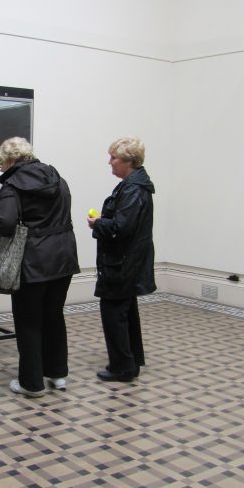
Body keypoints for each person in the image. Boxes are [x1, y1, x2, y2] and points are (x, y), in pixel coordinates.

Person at [0, 137, 80, 397]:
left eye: (1, 162)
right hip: (63, 257)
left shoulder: (13, 184)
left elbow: (5, 223)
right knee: (54, 315)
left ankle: (31, 383)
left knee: (28, 320)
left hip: (32, 260)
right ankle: (57, 374)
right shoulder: (57, 178)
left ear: (9, 160)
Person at [87, 136, 155, 383]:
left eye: (113, 157)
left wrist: (99, 222)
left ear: (128, 160)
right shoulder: (134, 186)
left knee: (114, 313)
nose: (110, 162)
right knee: (126, 312)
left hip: (122, 264)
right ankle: (131, 361)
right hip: (127, 261)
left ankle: (122, 367)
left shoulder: (133, 189)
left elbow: (122, 228)